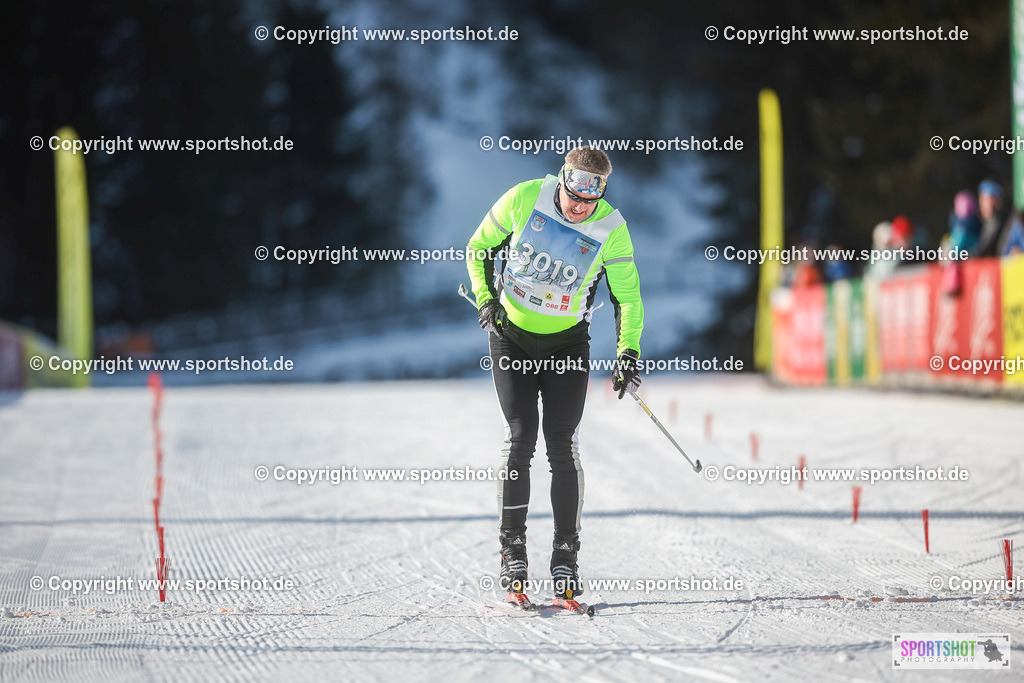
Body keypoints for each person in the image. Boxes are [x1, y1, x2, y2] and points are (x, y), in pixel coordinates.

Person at [465, 146, 644, 606]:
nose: (580, 205)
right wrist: (486, 297)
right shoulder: (525, 197)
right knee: (521, 436)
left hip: (567, 344)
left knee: (562, 444)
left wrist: (628, 351)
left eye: (592, 197)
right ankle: (512, 552)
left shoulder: (613, 229)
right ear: (563, 180)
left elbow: (627, 298)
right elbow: (479, 247)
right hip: (512, 336)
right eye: (575, 192)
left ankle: (566, 556)